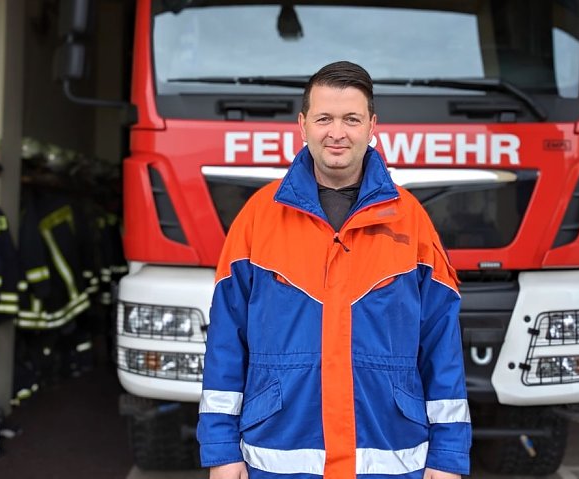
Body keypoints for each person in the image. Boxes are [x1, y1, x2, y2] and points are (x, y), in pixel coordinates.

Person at [197, 61, 470, 479]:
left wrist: (448, 457)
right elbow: (225, 344)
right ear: (302, 125)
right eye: (324, 118)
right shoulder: (258, 219)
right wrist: (220, 450)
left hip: (390, 460)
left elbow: (441, 346)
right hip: (277, 460)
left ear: (372, 126)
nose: (337, 133)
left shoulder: (410, 221)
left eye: (351, 119)